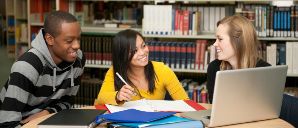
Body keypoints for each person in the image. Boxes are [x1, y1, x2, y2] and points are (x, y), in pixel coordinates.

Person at [0, 11, 85, 127]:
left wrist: (46, 113)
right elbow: (6, 123)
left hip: (48, 120)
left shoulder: (78, 58)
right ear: (50, 39)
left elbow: (67, 102)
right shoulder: (27, 66)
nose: (77, 46)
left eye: (78, 39)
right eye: (69, 41)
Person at [94, 29, 189, 105]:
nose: (143, 52)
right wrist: (117, 96)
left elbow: (186, 102)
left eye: (143, 46)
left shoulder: (162, 70)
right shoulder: (114, 72)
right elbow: (99, 101)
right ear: (122, 55)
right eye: (134, 51)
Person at [207, 15, 271, 103]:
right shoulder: (214, 67)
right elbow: (214, 106)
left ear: (238, 42)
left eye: (220, 39)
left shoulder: (266, 71)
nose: (215, 44)